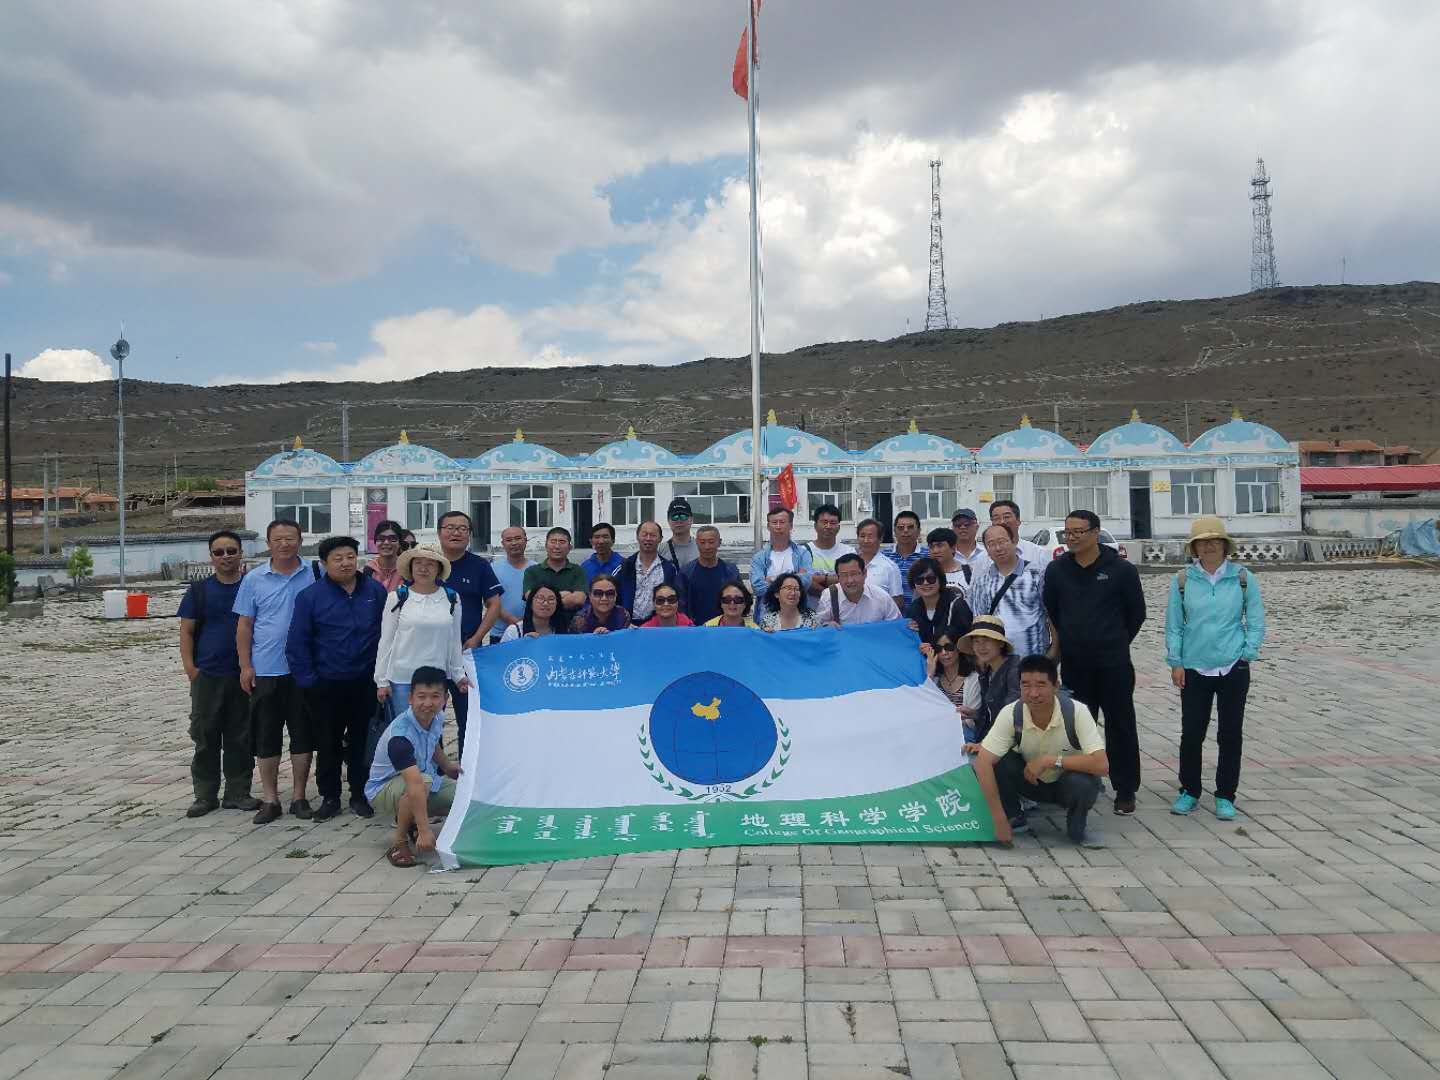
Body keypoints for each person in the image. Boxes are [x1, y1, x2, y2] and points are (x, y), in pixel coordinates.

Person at [1043, 509, 1146, 816]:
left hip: (1114, 663)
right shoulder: (1057, 570)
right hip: (1075, 664)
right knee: (1078, 728)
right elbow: (1053, 610)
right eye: (1068, 532)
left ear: (1096, 532)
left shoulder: (1121, 570)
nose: (1072, 537)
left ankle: (1125, 789)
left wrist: (1115, 640)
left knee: (1120, 725)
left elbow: (1136, 614)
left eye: (1079, 531)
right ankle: (1081, 787)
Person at [1165, 516, 1265, 821]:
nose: (1209, 546)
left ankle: (1225, 795)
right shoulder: (1182, 580)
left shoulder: (1243, 578)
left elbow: (1256, 620)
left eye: (1214, 540)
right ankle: (1189, 790)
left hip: (1233, 666)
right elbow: (1174, 626)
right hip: (1194, 667)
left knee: (1230, 733)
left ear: (1224, 545)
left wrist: (1247, 653)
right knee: (1192, 733)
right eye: (1202, 542)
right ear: (1194, 547)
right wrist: (1176, 662)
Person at [286, 536, 388, 822]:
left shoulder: (375, 591)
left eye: (350, 557)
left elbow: (387, 633)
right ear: (324, 563)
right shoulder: (310, 596)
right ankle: (330, 796)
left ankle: (360, 794)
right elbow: (297, 643)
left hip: (365, 681)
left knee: (361, 741)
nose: (345, 563)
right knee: (327, 742)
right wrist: (309, 682)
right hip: (326, 683)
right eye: (337, 558)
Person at [971, 655, 1108, 847]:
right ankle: (1013, 817)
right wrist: (997, 817)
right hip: (1030, 781)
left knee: (1083, 783)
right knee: (998, 760)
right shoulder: (1011, 713)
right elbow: (983, 762)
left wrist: (1049, 761)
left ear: (1056, 686)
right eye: (1025, 685)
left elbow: (1102, 765)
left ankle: (1077, 825)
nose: (1033, 693)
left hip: (1067, 785)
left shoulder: (1077, 712)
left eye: (1041, 685)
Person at [234, 519, 315, 825]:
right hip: (266, 669)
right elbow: (245, 625)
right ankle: (270, 799)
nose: (284, 544)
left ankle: (299, 796)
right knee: (266, 736)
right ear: (268, 543)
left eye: (290, 538)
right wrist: (245, 665)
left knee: (303, 735)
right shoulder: (254, 579)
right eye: (278, 539)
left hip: (303, 670)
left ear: (300, 540)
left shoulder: (315, 573)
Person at [178, 530, 256, 818]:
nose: (226, 557)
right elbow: (187, 631)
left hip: (243, 675)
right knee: (205, 736)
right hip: (207, 674)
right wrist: (191, 669)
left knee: (241, 736)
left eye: (231, 551)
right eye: (219, 552)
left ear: (241, 554)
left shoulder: (252, 586)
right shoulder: (199, 591)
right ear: (211, 557)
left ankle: (238, 792)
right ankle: (205, 794)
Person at [364, 666, 461, 868]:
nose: (428, 703)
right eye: (421, 697)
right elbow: (415, 784)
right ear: (410, 698)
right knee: (423, 783)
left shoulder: (437, 717)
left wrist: (447, 765)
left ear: (445, 699)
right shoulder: (400, 736)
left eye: (435, 696)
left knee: (462, 797)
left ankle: (412, 821)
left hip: (419, 780)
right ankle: (399, 843)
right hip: (383, 789)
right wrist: (426, 831)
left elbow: (431, 742)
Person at [437, 510, 503, 756]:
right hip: (431, 651)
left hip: (466, 650)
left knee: (468, 712)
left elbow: (494, 604)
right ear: (439, 532)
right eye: (450, 527)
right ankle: (434, 766)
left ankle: (467, 763)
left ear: (470, 535)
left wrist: (477, 638)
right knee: (431, 712)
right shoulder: (428, 563)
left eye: (462, 528)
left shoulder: (479, 566)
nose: (456, 533)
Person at [373, 545, 467, 715]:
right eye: (418, 563)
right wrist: (382, 681)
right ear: (411, 567)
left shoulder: (452, 598)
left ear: (439, 569)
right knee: (405, 728)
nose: (423, 568)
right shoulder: (397, 597)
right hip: (403, 678)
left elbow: (454, 640)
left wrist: (458, 674)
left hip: (437, 677)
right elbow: (386, 641)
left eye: (430, 564)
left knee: (433, 729)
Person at [969, 523, 1054, 660]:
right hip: (999, 660)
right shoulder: (982, 582)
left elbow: (1052, 615)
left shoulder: (1036, 575)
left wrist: (1054, 650)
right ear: (987, 551)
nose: (998, 548)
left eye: (1002, 541)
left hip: (1035, 658)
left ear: (1014, 542)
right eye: (991, 544)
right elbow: (979, 623)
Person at [957, 614, 1022, 744]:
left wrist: (984, 746)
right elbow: (988, 713)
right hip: (990, 737)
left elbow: (1010, 716)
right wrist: (972, 713)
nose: (981, 647)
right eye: (976, 641)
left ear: (1001, 643)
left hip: (1011, 742)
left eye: (987, 640)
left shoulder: (1015, 670)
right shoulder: (986, 673)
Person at [750, 507, 814, 612]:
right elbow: (757, 587)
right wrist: (794, 578)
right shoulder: (759, 557)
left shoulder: (803, 554)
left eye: (782, 522)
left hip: (797, 614)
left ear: (791, 525)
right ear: (768, 526)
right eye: (774, 522)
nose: (778, 526)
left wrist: (771, 579)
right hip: (766, 614)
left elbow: (806, 582)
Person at [619, 520, 683, 623]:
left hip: (657, 624)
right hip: (629, 624)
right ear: (637, 537)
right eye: (644, 534)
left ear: (660, 539)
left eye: (653, 535)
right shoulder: (625, 566)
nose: (648, 538)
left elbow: (675, 598)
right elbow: (616, 596)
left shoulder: (669, 569)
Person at [814, 553, 902, 628]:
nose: (850, 580)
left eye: (854, 574)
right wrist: (827, 626)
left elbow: (896, 626)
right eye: (844, 575)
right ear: (838, 577)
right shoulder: (829, 595)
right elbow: (818, 626)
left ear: (864, 574)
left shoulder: (881, 597)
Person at [677, 525, 740, 625]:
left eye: (711, 542)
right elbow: (681, 605)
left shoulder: (731, 571)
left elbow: (740, 600)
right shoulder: (686, 572)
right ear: (696, 543)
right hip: (695, 628)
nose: (707, 547)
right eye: (702, 542)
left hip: (724, 627)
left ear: (719, 542)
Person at [905, 557, 973, 646]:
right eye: (919, 580)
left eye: (931, 579)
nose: (925, 583)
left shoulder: (957, 605)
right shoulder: (912, 609)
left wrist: (950, 636)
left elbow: (968, 636)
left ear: (940, 580)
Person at [926, 631, 980, 740]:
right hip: (936, 733)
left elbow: (973, 720)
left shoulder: (973, 678)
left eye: (949, 647)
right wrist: (930, 673)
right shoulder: (934, 679)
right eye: (939, 649)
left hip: (964, 735)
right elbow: (925, 707)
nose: (944, 652)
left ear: (958, 649)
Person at [523, 526, 589, 610]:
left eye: (562, 542)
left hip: (571, 618)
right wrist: (566, 595)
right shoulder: (532, 571)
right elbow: (530, 598)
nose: (557, 546)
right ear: (546, 546)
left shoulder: (578, 571)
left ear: (569, 547)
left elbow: (579, 599)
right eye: (553, 542)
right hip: (540, 618)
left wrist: (544, 598)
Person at [490, 526, 535, 644]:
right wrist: (512, 620)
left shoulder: (536, 569)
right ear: (502, 543)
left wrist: (523, 623)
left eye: (518, 538)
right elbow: (488, 601)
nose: (514, 543)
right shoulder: (493, 568)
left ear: (525, 540)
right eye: (509, 540)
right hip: (499, 634)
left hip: (530, 632)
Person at [805, 503, 854, 600]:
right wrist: (835, 582)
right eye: (824, 522)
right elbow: (805, 582)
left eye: (833, 523)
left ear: (838, 527)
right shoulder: (804, 551)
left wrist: (822, 578)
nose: (828, 526)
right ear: (815, 526)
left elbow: (851, 581)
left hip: (841, 607)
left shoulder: (848, 552)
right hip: (811, 608)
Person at [855, 518, 905, 609]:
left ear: (880, 539)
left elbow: (897, 602)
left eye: (870, 536)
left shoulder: (890, 567)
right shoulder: (849, 563)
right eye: (862, 536)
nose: (866, 540)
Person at [989, 500, 1051, 567]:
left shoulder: (1038, 554)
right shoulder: (984, 557)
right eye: (996, 518)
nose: (1002, 522)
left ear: (1018, 521)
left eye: (1006, 517)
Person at [500, 583, 570, 641]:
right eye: (540, 598)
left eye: (551, 599)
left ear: (557, 604)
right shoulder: (514, 631)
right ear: (531, 603)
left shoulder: (562, 629)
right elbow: (502, 653)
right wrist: (522, 643)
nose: (545, 603)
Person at [884, 511, 925, 604]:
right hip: (891, 611)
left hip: (921, 611)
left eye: (910, 527)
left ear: (919, 531)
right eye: (900, 528)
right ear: (894, 531)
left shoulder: (929, 555)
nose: (905, 531)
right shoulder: (884, 556)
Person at [950, 508, 992, 587]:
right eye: (958, 525)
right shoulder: (947, 555)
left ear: (977, 527)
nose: (962, 527)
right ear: (952, 528)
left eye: (967, 524)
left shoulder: (987, 554)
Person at [364, 520, 405, 592]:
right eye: (381, 539)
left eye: (392, 539)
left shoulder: (406, 569)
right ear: (375, 542)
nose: (386, 542)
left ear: (400, 543)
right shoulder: (367, 571)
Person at [926, 527, 968, 594]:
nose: (935, 551)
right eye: (931, 547)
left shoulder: (968, 572)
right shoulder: (924, 574)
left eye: (939, 546)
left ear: (953, 548)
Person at [664, 498, 700, 566]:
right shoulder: (660, 550)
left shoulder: (702, 548)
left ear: (691, 520)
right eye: (675, 517)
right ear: (668, 521)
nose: (679, 521)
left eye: (683, 516)